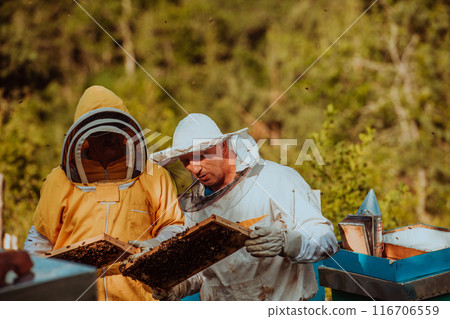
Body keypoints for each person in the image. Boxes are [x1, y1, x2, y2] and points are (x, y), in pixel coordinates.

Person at [150, 113, 339, 301]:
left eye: (201, 156)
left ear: (223, 146)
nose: (195, 168)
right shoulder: (194, 203)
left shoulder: (275, 179)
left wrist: (286, 243)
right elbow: (205, 272)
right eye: (186, 161)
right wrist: (179, 287)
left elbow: (326, 239)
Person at [24, 85, 184, 301]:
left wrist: (154, 244)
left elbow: (174, 226)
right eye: (100, 134)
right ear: (86, 139)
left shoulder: (154, 175)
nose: (109, 138)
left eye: (114, 132)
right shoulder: (58, 180)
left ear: (125, 134)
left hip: (139, 298)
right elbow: (41, 238)